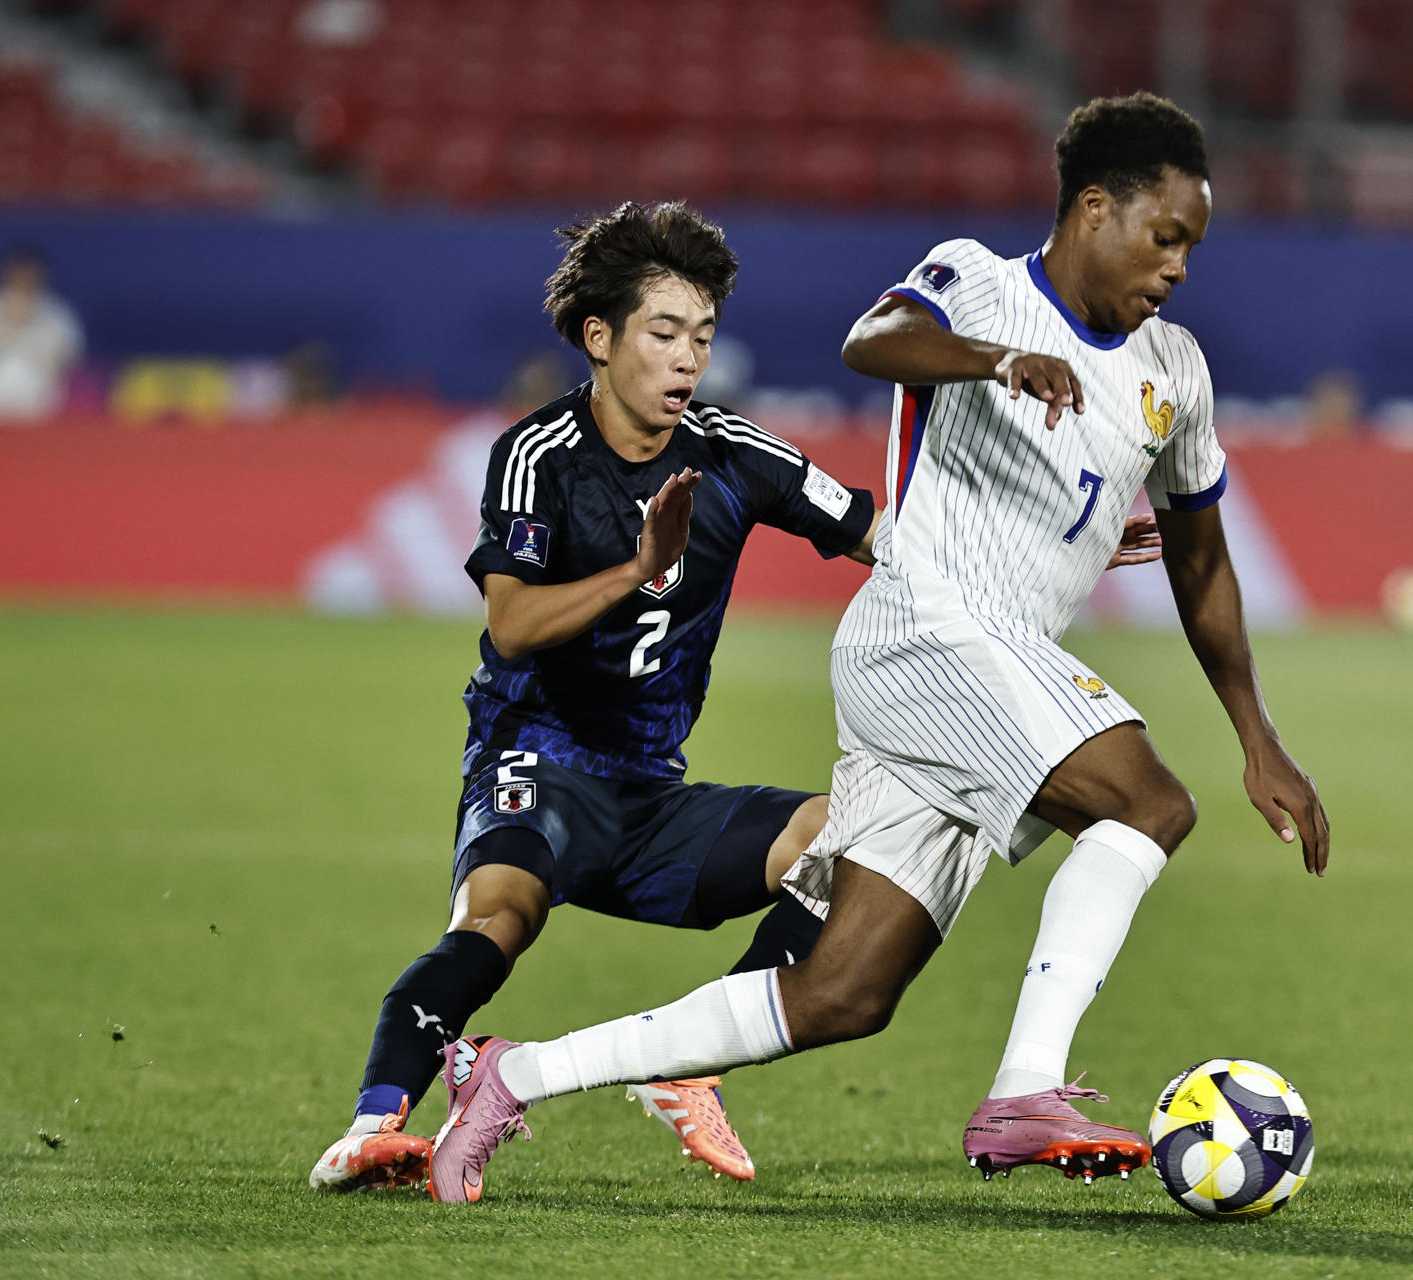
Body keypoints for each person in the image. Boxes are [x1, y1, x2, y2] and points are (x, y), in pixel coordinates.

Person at [423, 93, 1328, 1205]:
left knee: (843, 991)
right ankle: (1025, 1090)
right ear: (1096, 208)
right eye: (1166, 235)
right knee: (1148, 804)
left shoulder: (1174, 369)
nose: (1179, 265)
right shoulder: (978, 282)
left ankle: (512, 1074)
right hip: (928, 630)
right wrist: (995, 360)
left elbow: (1202, 563)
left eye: (1192, 245)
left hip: (978, 680)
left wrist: (1258, 736)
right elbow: (873, 341)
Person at [310, 200, 1160, 1196]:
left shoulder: (733, 451)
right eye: (664, 333)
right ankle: (371, 1129)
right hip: (539, 763)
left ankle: (689, 1067)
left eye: (703, 337)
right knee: (495, 922)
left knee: (839, 838)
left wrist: (1055, 532)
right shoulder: (538, 456)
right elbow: (511, 625)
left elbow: (890, 538)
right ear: (600, 338)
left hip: (652, 793)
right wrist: (638, 568)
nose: (687, 360)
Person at [0, 246, 84, 421]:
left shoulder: (58, 314)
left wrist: (33, 326)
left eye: (29, 276)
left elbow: (72, 365)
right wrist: (5, 327)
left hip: (41, 408)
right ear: (4, 275)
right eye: (18, 275)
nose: (23, 281)